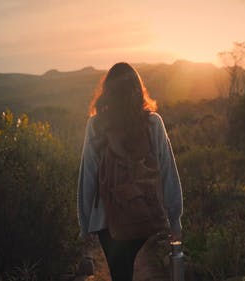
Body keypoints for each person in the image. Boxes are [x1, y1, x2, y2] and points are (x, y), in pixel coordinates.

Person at [77, 62, 183, 281]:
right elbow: (168, 171)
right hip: (143, 210)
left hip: (106, 220)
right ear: (138, 89)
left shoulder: (95, 126)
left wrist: (84, 225)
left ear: (107, 93)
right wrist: (175, 219)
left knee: (120, 273)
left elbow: (88, 176)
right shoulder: (153, 123)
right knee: (124, 269)